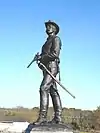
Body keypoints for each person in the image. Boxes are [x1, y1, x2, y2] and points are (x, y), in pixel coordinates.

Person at [34, 20, 62, 125]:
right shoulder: (47, 41)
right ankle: (58, 117)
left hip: (52, 67)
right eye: (47, 26)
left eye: (50, 26)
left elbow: (55, 54)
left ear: (55, 29)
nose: (48, 27)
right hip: (47, 68)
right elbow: (44, 57)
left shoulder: (56, 39)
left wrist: (42, 57)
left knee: (43, 88)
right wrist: (39, 61)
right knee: (53, 91)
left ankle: (43, 117)